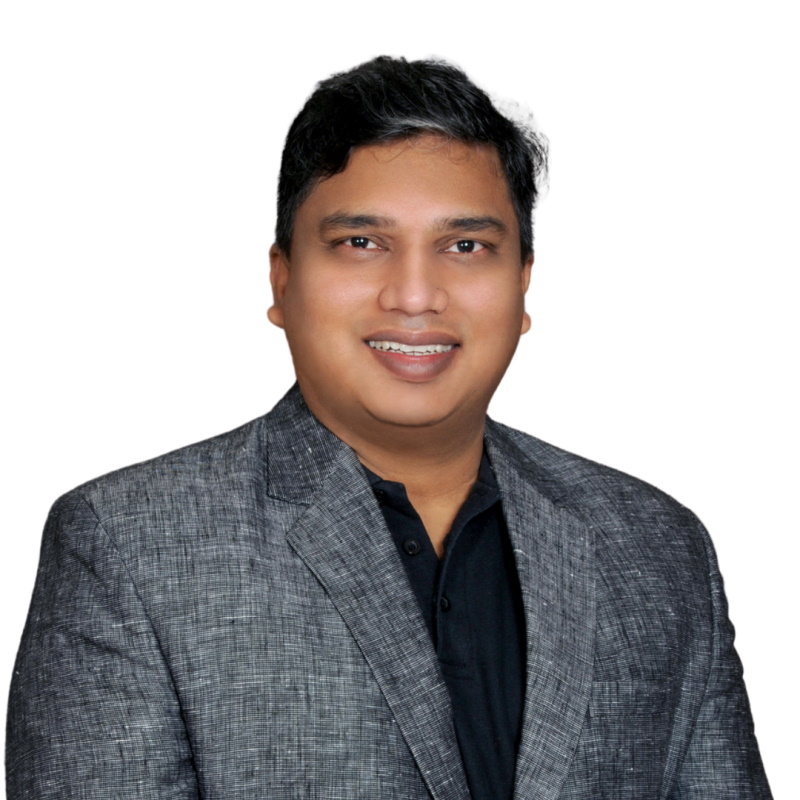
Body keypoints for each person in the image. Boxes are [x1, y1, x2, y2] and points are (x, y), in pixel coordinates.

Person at [6, 56, 771, 799]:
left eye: (465, 246)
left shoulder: (655, 545)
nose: (414, 295)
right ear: (281, 279)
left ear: (522, 283)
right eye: (361, 243)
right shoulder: (129, 545)